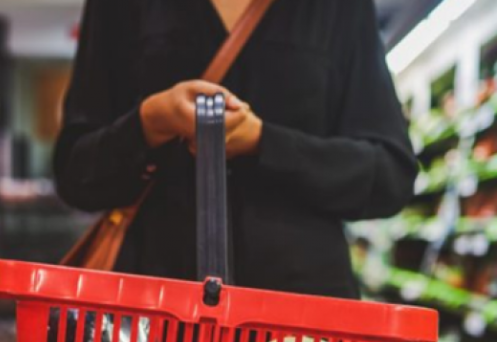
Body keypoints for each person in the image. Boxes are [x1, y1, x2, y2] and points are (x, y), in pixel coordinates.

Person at [53, 0, 417, 300]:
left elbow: (390, 174)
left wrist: (264, 142)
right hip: (154, 317)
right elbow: (74, 171)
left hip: (301, 328)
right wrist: (150, 123)